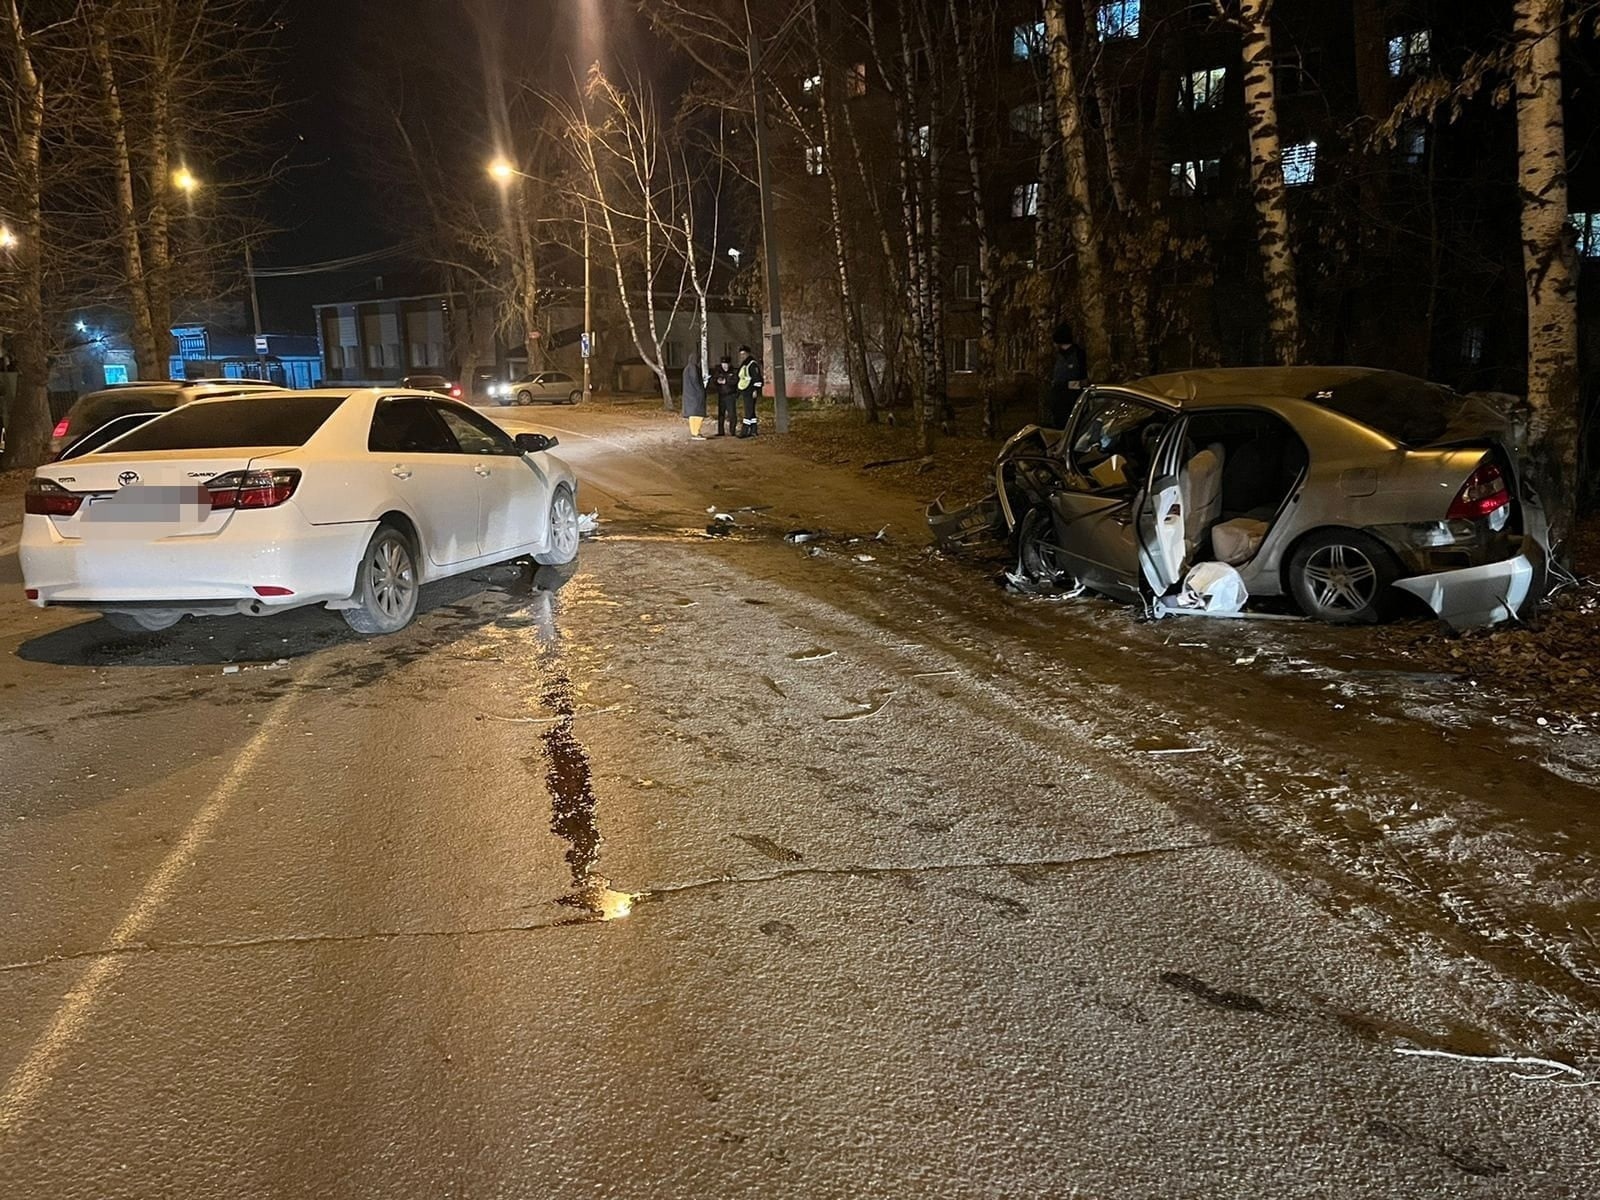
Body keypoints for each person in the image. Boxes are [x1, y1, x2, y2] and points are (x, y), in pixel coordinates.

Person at [1043, 322, 1087, 429]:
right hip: (1059, 402)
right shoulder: (1057, 356)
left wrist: (1066, 386)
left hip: (1072, 402)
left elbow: (1084, 382)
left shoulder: (1078, 355)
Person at [736, 345, 763, 437]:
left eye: (744, 354)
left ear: (748, 353)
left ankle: (745, 431)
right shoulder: (745, 364)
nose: (742, 356)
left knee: (748, 411)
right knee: (751, 411)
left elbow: (757, 378)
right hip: (746, 390)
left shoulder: (752, 364)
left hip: (750, 390)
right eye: (741, 354)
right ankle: (753, 430)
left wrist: (755, 390)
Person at [681, 350, 707, 441]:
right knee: (698, 414)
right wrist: (702, 390)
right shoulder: (693, 368)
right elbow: (695, 381)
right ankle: (696, 433)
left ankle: (694, 432)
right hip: (695, 395)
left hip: (689, 395)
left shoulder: (687, 368)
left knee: (693, 415)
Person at [710, 354, 738, 437]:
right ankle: (720, 431)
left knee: (732, 414)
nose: (725, 366)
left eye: (726, 364)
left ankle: (732, 431)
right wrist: (717, 381)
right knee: (721, 414)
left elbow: (735, 381)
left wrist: (726, 381)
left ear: (729, 364)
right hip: (721, 395)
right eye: (723, 364)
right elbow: (713, 380)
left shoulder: (733, 371)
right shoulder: (718, 370)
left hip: (730, 395)